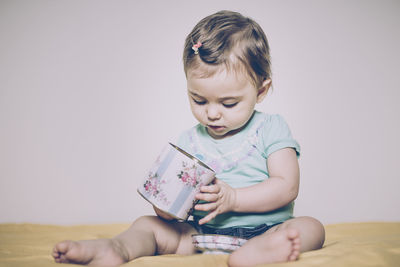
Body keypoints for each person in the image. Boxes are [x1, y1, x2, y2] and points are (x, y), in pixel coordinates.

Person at [52, 10, 325, 267]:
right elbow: (172, 211)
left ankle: (261, 251)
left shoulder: (270, 127)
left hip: (267, 230)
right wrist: (166, 207)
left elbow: (287, 186)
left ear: (261, 90)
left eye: (229, 103)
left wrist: (234, 199)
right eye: (199, 99)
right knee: (147, 225)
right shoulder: (189, 141)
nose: (212, 113)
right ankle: (117, 248)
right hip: (201, 234)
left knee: (311, 227)